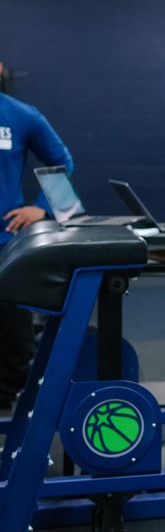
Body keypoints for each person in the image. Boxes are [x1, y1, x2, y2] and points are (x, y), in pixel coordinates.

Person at [0, 63, 74, 406]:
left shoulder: (21, 116)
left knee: (12, 342)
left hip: (6, 247)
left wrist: (42, 207)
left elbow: (62, 161)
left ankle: (5, 405)